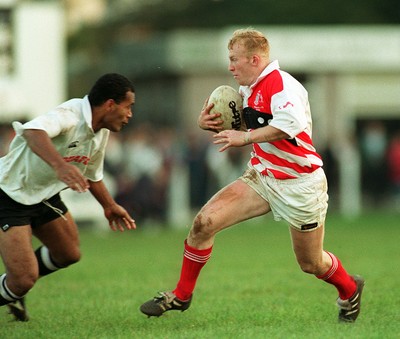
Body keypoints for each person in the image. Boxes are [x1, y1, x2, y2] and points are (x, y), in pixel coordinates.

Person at [140, 29, 364, 323]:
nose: (230, 67)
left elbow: (289, 125)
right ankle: (181, 295)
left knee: (311, 263)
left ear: (254, 59)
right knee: (204, 223)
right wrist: (206, 122)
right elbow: (243, 126)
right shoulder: (247, 89)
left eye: (234, 60)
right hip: (262, 177)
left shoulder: (283, 85)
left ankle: (350, 290)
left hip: (300, 184)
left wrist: (243, 139)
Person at [0, 73, 137, 321]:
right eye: (128, 107)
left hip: (43, 195)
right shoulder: (71, 114)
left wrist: (109, 205)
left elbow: (92, 174)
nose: (130, 115)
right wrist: (59, 166)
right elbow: (32, 132)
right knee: (23, 280)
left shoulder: (100, 131)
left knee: (69, 253)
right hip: (9, 193)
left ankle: (10, 288)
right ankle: (13, 287)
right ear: (109, 104)